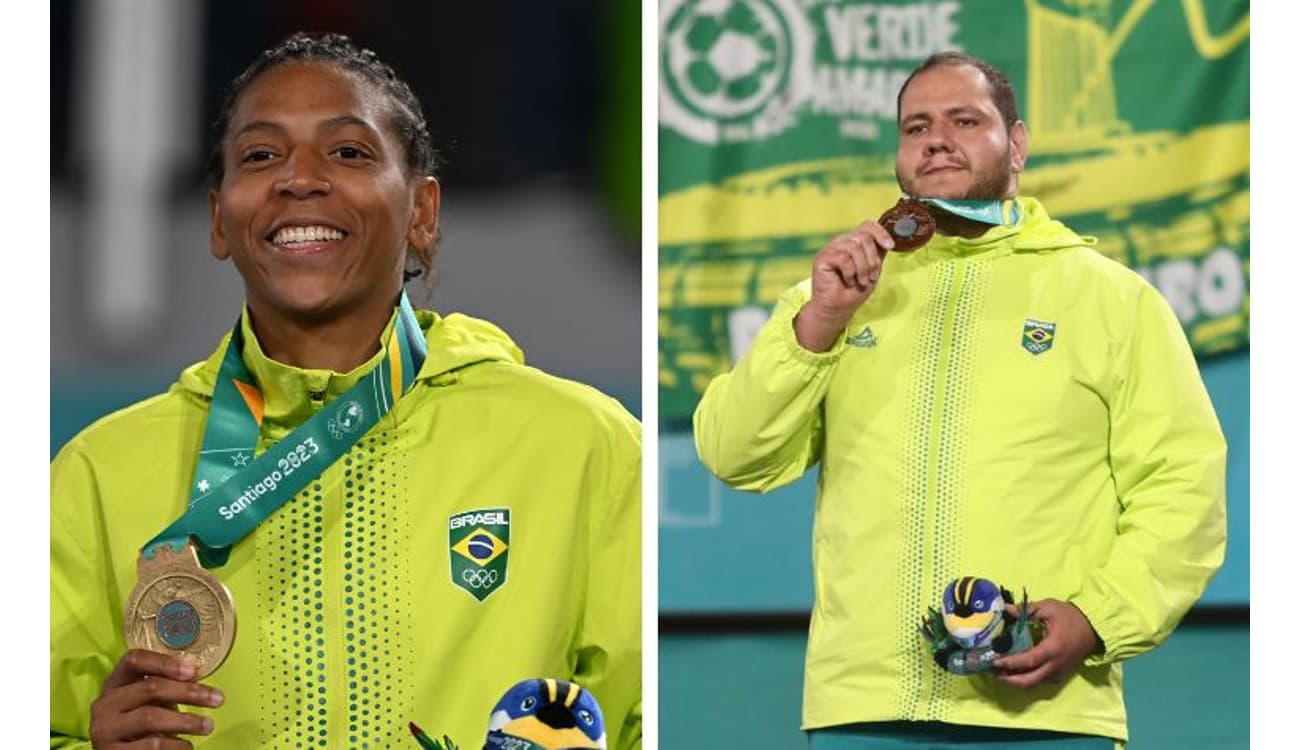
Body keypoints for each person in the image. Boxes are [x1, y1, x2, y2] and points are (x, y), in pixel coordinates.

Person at [51, 32, 641, 749]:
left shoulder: (581, 445)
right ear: (218, 218)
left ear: (422, 213)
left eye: (349, 152)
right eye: (261, 155)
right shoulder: (97, 474)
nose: (299, 179)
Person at [693, 51, 1225, 749]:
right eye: (916, 127)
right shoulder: (836, 298)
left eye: (964, 120)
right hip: (864, 712)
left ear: (1019, 143)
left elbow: (1185, 486)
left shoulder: (1112, 301)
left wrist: (1100, 616)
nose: (936, 139)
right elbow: (734, 454)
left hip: (1044, 712)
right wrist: (819, 327)